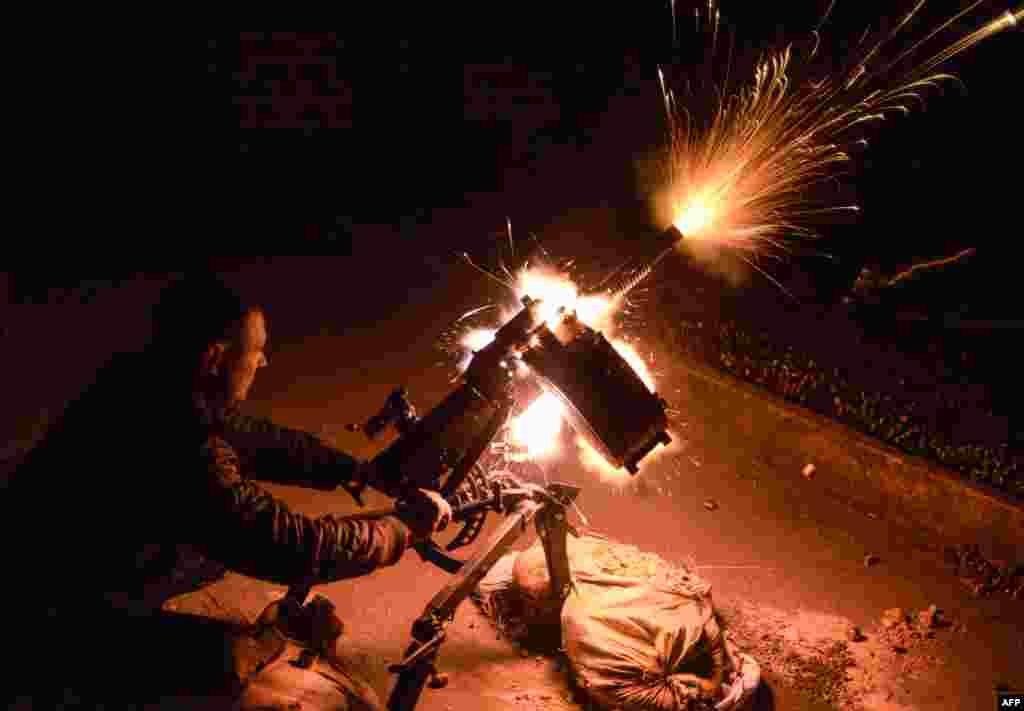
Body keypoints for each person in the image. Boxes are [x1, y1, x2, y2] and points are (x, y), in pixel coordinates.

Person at [2, 272, 452, 709]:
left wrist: (355, 471)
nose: (263, 361)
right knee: (234, 658)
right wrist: (401, 530)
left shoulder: (152, 383)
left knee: (211, 565)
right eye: (255, 351)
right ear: (214, 357)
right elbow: (293, 545)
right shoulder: (179, 444)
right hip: (38, 622)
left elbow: (260, 441)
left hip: (50, 563)